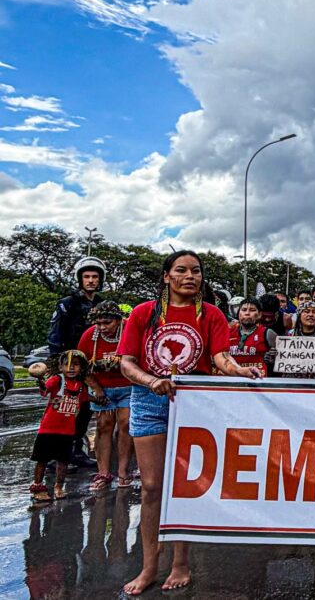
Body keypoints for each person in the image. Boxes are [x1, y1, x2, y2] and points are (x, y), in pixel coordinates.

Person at [117, 250, 261, 595]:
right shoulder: (143, 313)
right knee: (152, 487)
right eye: (180, 270)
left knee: (185, 484)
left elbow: (220, 358)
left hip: (194, 403)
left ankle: (181, 561)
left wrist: (240, 371)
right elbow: (126, 362)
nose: (189, 276)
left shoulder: (211, 314)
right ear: (166, 276)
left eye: (196, 271)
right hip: (149, 399)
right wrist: (151, 381)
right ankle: (149, 565)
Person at [48, 256, 106, 469]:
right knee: (64, 409)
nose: (91, 280)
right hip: (69, 364)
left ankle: (76, 451)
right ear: (80, 279)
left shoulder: (102, 305)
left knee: (85, 409)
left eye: (95, 277)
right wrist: (58, 366)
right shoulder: (67, 304)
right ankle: (58, 456)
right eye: (87, 277)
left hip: (91, 366)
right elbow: (55, 336)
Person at [78, 301, 134, 491]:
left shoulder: (130, 330)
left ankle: (123, 471)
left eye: (107, 323)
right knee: (104, 426)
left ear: (119, 320)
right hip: (102, 387)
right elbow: (81, 366)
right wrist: (96, 388)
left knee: (126, 424)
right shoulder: (89, 336)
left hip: (129, 386)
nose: (102, 328)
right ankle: (103, 472)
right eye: (99, 323)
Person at [29, 351, 91, 502]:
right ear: (60, 367)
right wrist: (40, 381)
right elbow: (45, 390)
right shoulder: (57, 380)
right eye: (67, 365)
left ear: (81, 368)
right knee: (42, 460)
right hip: (48, 430)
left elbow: (86, 400)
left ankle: (58, 487)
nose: (71, 368)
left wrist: (100, 399)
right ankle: (37, 486)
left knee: (63, 461)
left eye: (75, 365)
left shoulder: (81, 387)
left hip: (67, 431)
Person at [229, 297, 277, 378]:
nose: (247, 313)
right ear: (239, 314)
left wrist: (273, 359)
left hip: (258, 381)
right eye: (244, 310)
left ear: (259, 314)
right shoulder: (228, 332)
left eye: (252, 310)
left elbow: (281, 360)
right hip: (233, 380)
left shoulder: (268, 333)